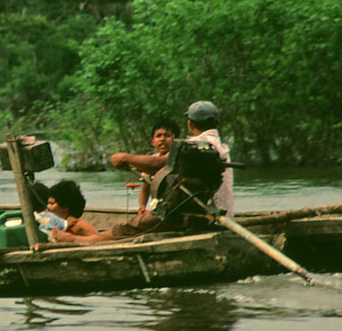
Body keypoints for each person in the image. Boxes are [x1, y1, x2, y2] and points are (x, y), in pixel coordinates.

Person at [52, 100, 233, 244]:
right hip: (210, 214)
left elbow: (161, 163)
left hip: (181, 217)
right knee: (132, 225)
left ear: (189, 124)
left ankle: (74, 240)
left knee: (121, 231)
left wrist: (126, 158)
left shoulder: (195, 147)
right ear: (217, 123)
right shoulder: (219, 147)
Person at [136, 119, 180, 218]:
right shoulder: (153, 159)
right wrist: (142, 206)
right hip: (158, 206)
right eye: (158, 136)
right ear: (153, 142)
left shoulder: (179, 157)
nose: (162, 139)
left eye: (167, 136)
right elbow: (145, 189)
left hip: (174, 206)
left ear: (177, 140)